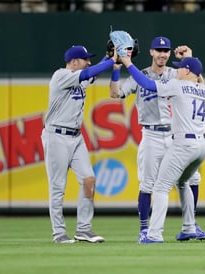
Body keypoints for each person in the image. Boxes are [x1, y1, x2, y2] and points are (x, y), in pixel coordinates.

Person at [110, 37, 205, 242]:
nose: (163, 54)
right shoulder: (201, 86)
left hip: (176, 136)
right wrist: (117, 68)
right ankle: (146, 228)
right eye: (159, 50)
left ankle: (185, 226)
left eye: (166, 50)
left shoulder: (175, 75)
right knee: (148, 184)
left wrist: (128, 63)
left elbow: (188, 76)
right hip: (153, 134)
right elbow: (116, 93)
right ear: (151, 52)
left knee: (185, 182)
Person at [41, 45, 118, 243]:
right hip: (56, 135)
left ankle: (84, 229)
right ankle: (59, 234)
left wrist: (109, 56)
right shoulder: (61, 75)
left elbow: (93, 73)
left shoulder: (79, 77)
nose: (88, 62)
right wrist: (111, 61)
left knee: (89, 179)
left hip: (76, 137)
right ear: (74, 62)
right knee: (58, 187)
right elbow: (90, 72)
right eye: (85, 59)